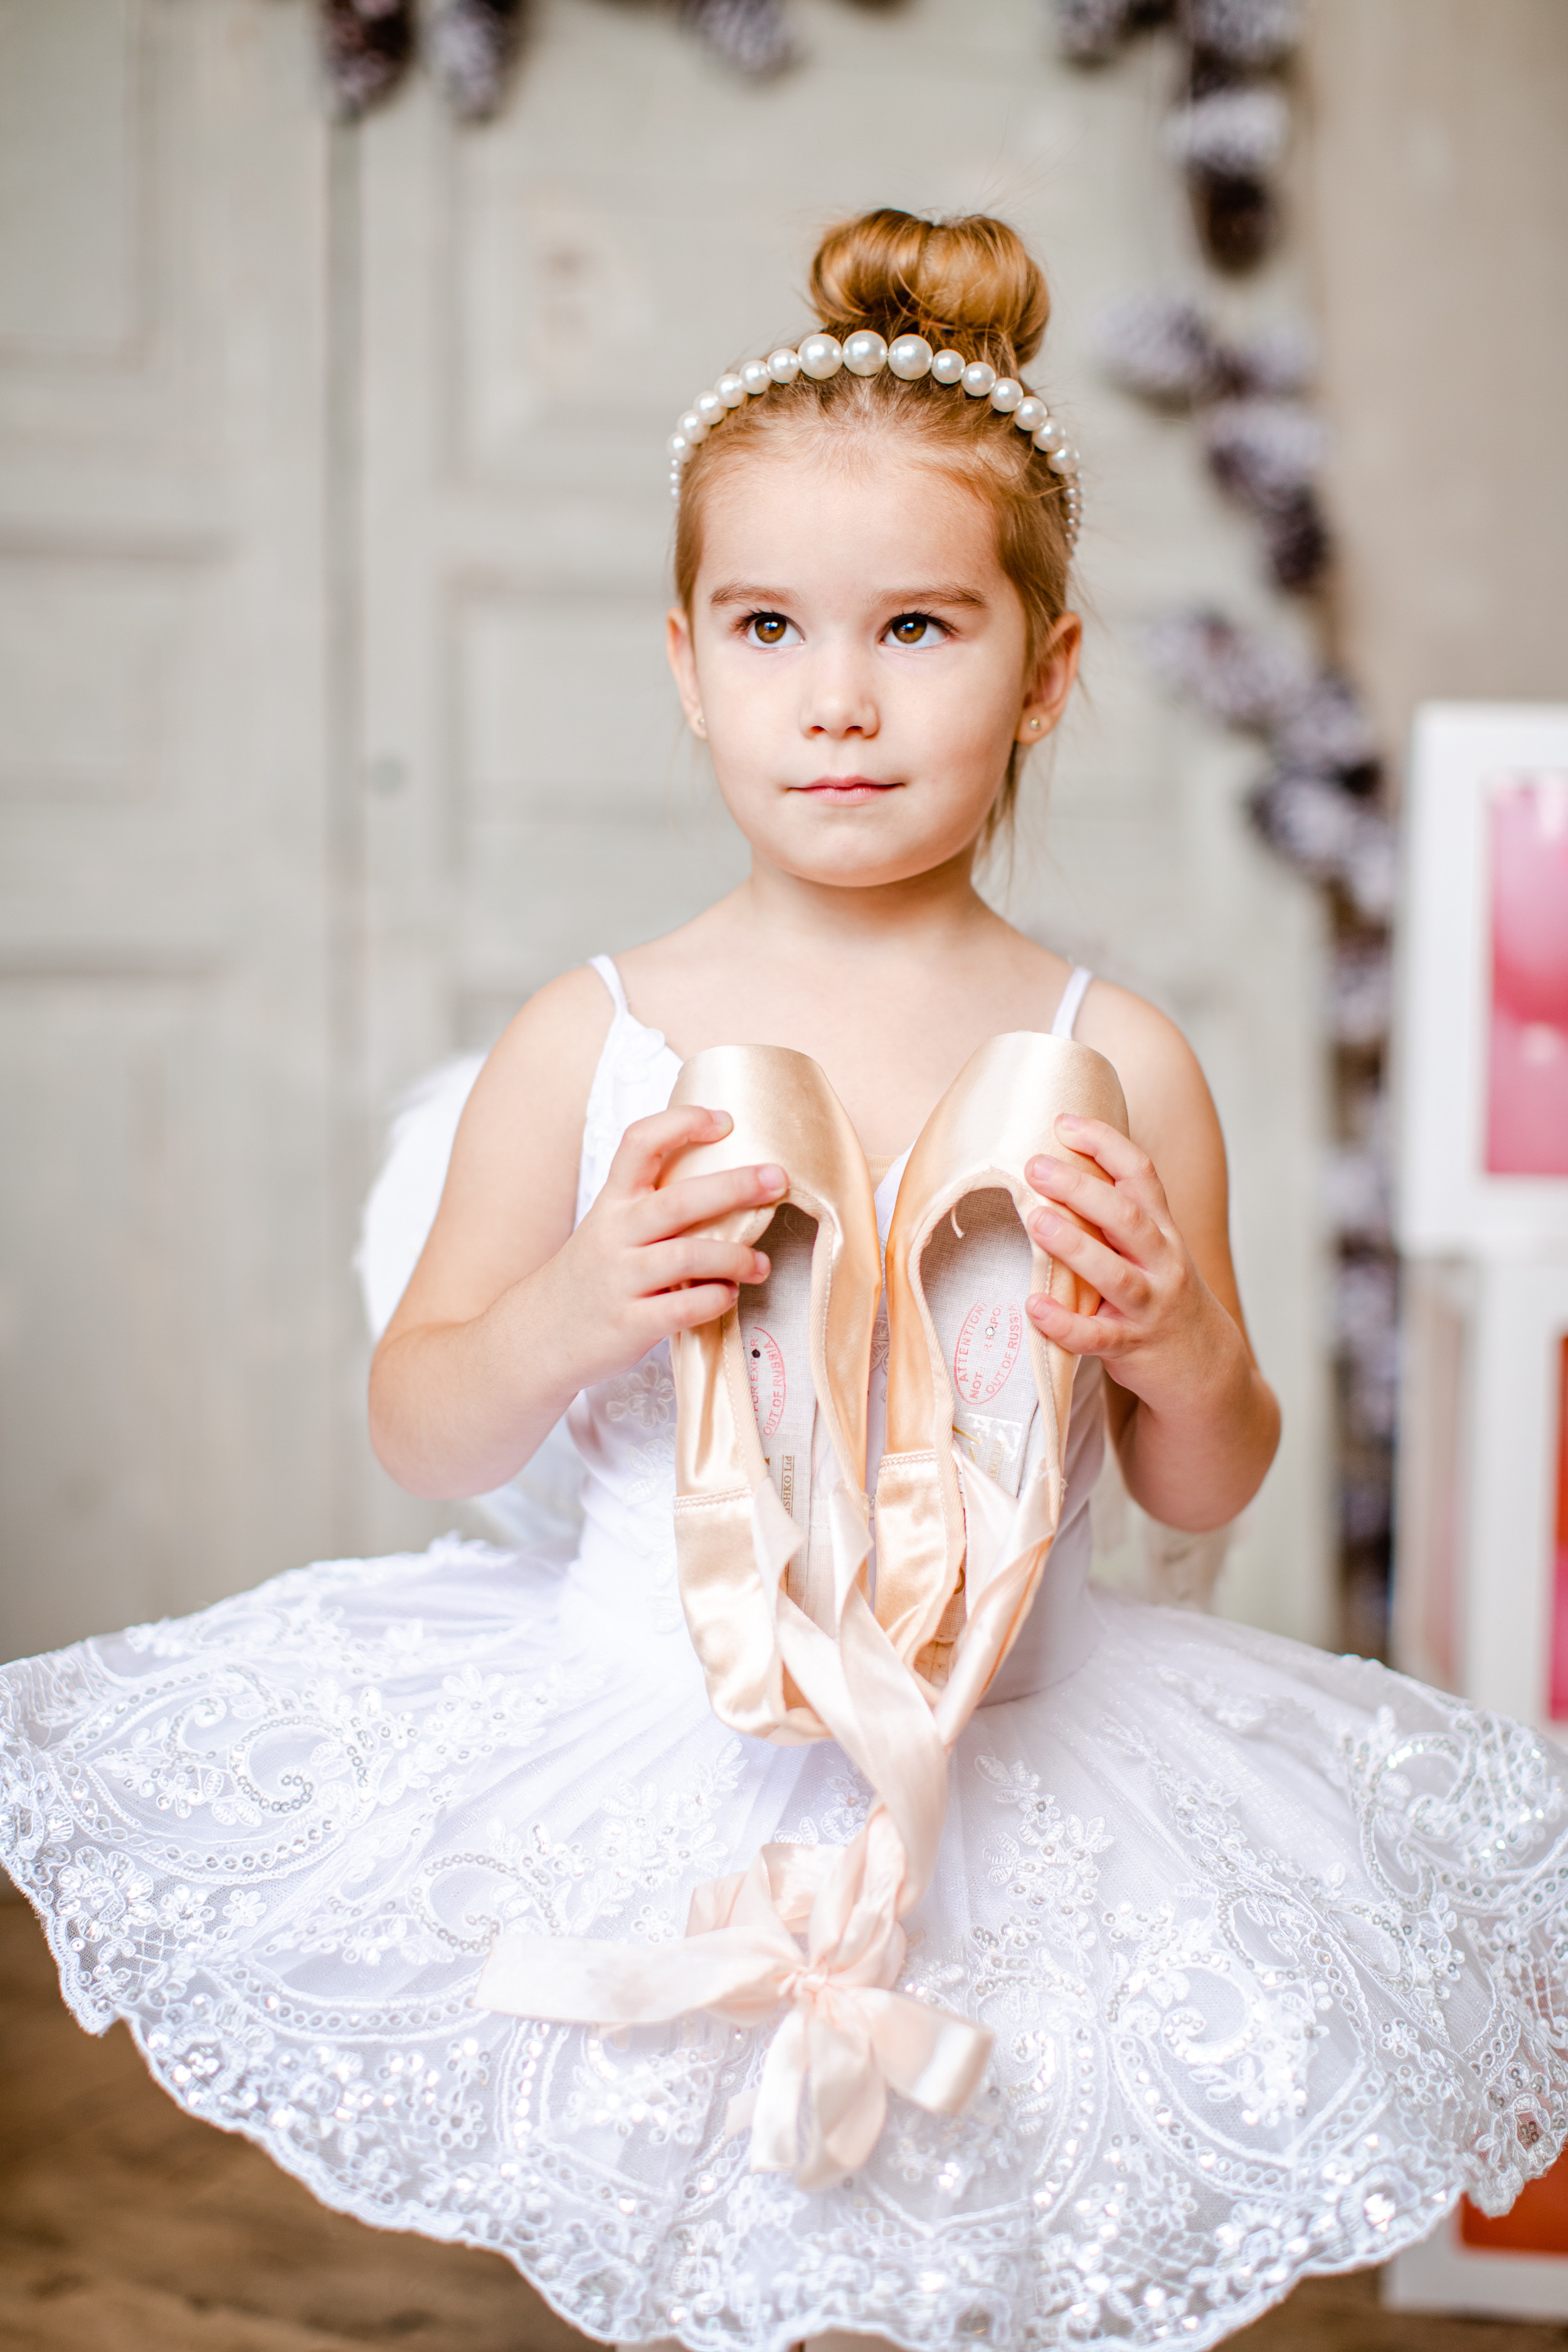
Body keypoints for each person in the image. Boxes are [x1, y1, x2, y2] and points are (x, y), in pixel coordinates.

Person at [3, 209, 1564, 2352]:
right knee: (705, 2243)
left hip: (1028, 1781)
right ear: (684, 661)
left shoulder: (1117, 1058)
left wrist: (1179, 1346)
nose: (836, 698)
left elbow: (1201, 1486)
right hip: (654, 1751)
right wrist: (575, 1305)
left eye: (916, 626)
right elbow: (423, 1420)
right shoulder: (592, 1038)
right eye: (766, 627)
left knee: (969, 2243)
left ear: (1046, 671)